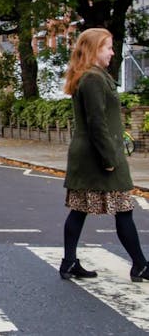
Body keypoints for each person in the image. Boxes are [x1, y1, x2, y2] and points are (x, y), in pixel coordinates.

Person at [61, 28, 149, 281]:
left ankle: (69, 263)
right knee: (123, 209)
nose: (112, 52)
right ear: (94, 49)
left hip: (91, 155)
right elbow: (96, 122)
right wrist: (109, 159)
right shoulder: (92, 79)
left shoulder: (92, 76)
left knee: (80, 209)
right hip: (98, 156)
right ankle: (140, 265)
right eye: (108, 47)